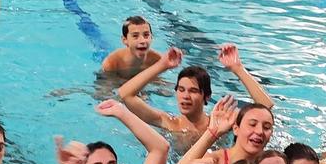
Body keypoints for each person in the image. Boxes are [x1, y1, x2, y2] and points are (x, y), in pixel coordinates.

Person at [117, 44, 273, 139]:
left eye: (193, 91)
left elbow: (265, 106)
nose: (185, 96)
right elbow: (125, 94)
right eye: (181, 90)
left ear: (206, 96)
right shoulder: (169, 123)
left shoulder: (221, 123)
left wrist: (238, 68)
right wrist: (162, 65)